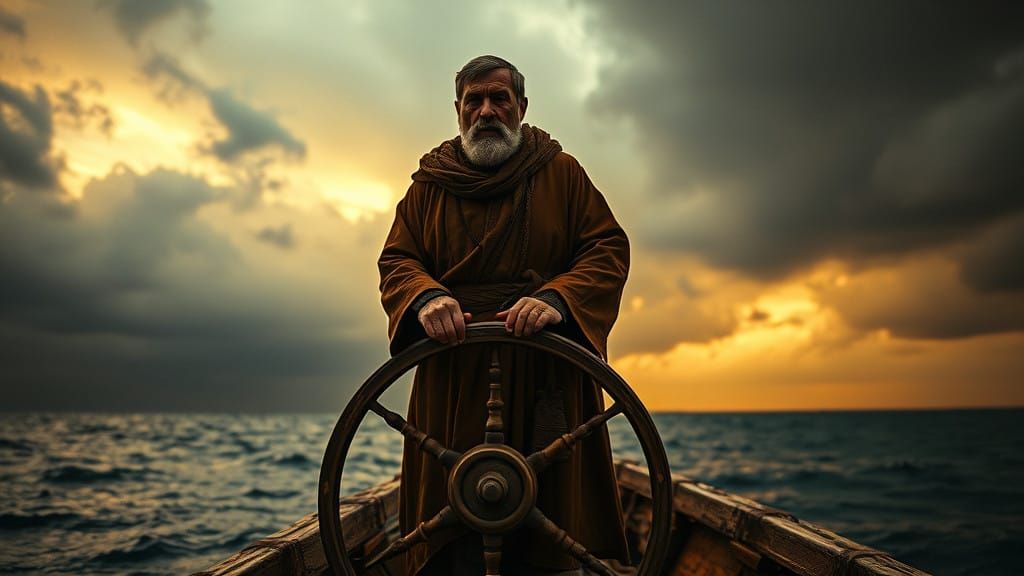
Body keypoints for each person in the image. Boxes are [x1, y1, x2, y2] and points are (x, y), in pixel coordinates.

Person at [378, 55, 630, 576]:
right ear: (458, 109)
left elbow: (606, 249)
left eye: (499, 99)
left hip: (546, 366)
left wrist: (556, 298)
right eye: (474, 100)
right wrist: (426, 297)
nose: (486, 111)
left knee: (552, 524)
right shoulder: (428, 185)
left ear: (522, 107)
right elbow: (398, 260)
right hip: (455, 369)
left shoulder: (562, 173)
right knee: (453, 527)